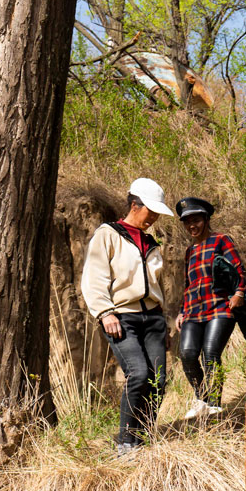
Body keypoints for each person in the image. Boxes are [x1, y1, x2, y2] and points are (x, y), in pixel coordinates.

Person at [80, 178, 173, 455]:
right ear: (135, 205)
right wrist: (105, 312)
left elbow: (156, 287)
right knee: (139, 374)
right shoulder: (108, 234)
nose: (154, 217)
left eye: (157, 212)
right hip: (122, 318)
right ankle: (126, 442)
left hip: (154, 320)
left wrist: (164, 324)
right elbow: (94, 277)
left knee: (158, 380)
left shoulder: (151, 242)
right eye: (150, 211)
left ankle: (144, 439)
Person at [175, 197, 246, 419]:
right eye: (187, 222)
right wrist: (181, 310)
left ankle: (214, 404)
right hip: (193, 311)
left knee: (210, 353)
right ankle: (201, 398)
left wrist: (239, 293)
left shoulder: (221, 241)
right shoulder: (190, 251)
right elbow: (189, 284)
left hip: (220, 308)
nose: (191, 226)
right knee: (187, 353)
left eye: (196, 220)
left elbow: (239, 270)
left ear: (206, 220)